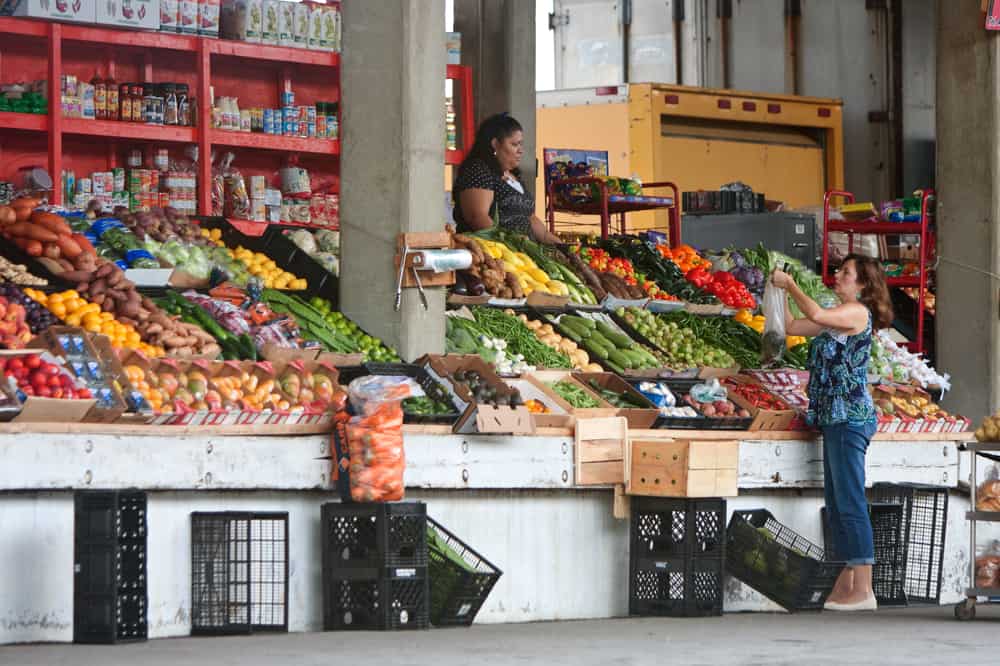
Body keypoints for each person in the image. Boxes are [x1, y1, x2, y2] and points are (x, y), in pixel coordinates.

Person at [771, 254, 893, 612]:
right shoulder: (836, 317)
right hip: (833, 419)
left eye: (846, 273)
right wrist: (774, 295)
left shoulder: (856, 313)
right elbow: (794, 326)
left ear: (863, 285)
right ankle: (847, 579)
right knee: (838, 503)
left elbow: (817, 316)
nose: (838, 276)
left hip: (850, 418)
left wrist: (791, 285)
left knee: (851, 500)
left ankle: (865, 588)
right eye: (840, 271)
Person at [452, 113, 561, 244]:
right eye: (515, 144)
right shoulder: (478, 170)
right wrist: (510, 245)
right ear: (495, 144)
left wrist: (559, 246)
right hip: (493, 253)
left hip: (522, 254)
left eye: (521, 144)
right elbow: (477, 217)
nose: (520, 150)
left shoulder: (515, 176)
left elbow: (530, 218)